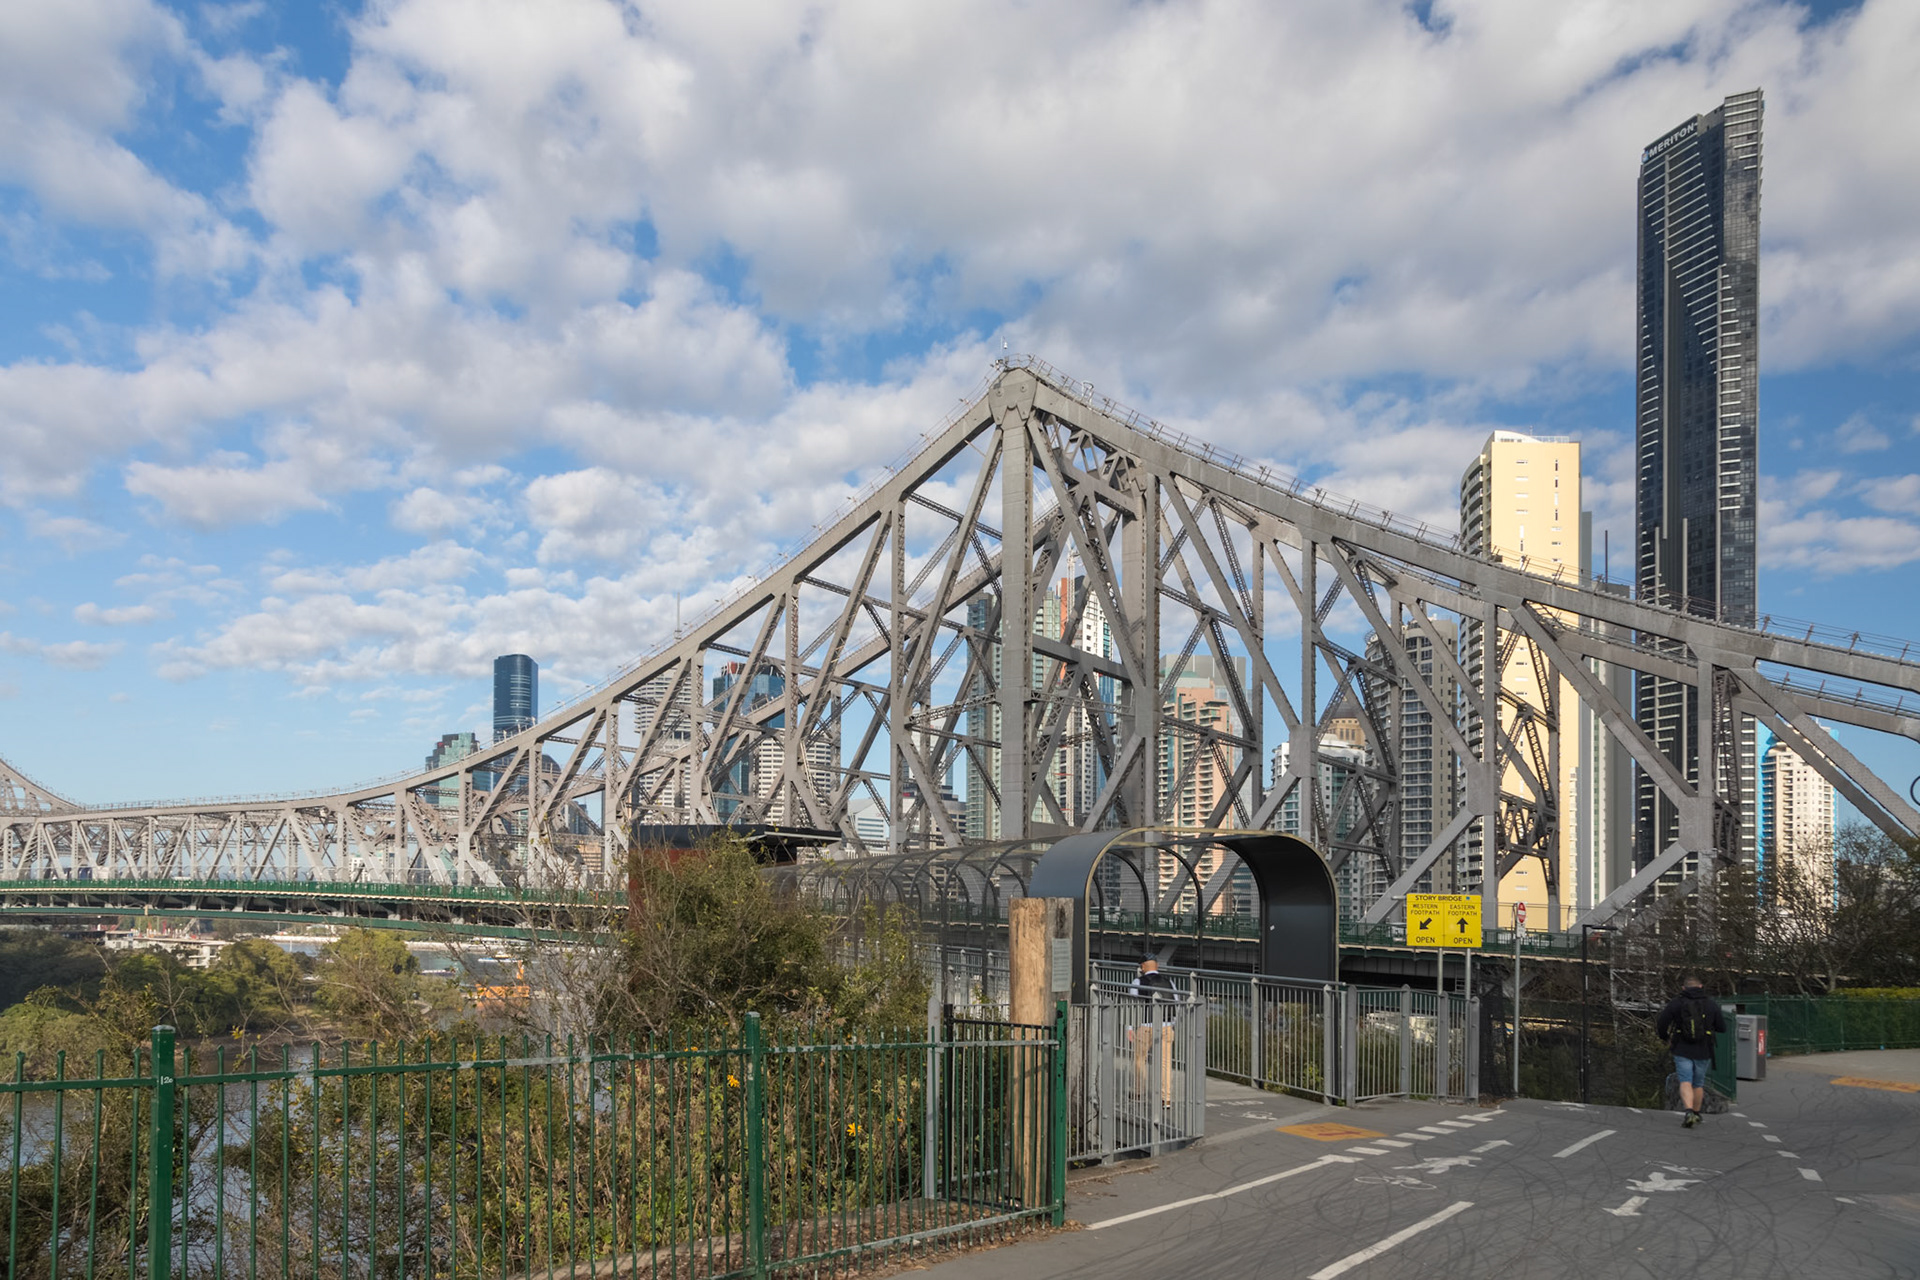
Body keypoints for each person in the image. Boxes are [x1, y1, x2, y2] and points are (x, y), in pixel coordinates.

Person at [1655, 975, 1727, 1127]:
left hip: (1682, 1047)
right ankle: (1696, 1113)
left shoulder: (1676, 1003)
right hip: (1704, 1048)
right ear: (1701, 987)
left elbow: (1662, 1023)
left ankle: (1688, 1112)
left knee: (1685, 1080)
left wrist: (1666, 1037)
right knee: (1698, 1083)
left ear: (1683, 988)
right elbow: (1722, 1027)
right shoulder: (1711, 1004)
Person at [1128, 958, 1179, 1104]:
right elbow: (1176, 1002)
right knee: (1165, 1063)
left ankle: (1138, 1093)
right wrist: (1172, 1023)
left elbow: (1132, 1004)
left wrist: (1130, 1027)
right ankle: (1166, 1098)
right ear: (1156, 965)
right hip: (1166, 1024)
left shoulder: (1138, 982)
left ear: (1143, 966)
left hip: (1146, 1025)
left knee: (1139, 1059)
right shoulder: (1169, 982)